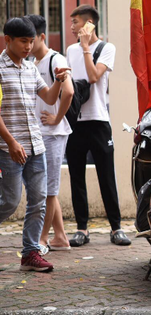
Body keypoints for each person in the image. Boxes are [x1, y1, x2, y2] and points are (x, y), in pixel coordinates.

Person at [0, 16, 70, 272]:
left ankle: (30, 253)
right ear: (7, 40)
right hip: (9, 149)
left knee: (39, 200)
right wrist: (10, 142)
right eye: (22, 41)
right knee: (9, 201)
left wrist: (59, 80)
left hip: (36, 146)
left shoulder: (31, 68)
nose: (28, 47)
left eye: (31, 41)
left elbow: (50, 98)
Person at [65, 5, 131, 246]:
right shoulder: (70, 50)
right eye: (71, 23)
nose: (72, 27)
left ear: (89, 23)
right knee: (76, 177)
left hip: (99, 121)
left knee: (106, 175)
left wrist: (85, 49)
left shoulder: (106, 48)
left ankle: (116, 228)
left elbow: (94, 77)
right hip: (76, 123)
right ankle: (82, 228)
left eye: (76, 23)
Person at [28, 15, 74, 252]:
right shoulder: (34, 64)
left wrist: (57, 118)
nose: (27, 44)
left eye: (30, 38)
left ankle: (42, 239)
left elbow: (68, 91)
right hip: (41, 132)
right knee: (47, 188)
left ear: (41, 37)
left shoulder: (55, 59)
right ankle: (61, 237)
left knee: (48, 190)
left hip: (53, 134)